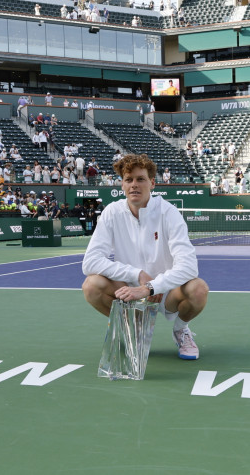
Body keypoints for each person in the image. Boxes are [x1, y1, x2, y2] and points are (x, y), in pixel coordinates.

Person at [81, 154, 208, 360]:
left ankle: (181, 330)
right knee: (91, 285)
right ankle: (132, 326)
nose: (134, 185)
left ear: (152, 183)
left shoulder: (169, 212)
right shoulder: (112, 212)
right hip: (128, 290)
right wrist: (137, 274)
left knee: (198, 289)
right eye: (128, 180)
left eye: (140, 179)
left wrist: (152, 286)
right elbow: (91, 262)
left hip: (166, 292)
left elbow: (189, 267)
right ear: (122, 185)